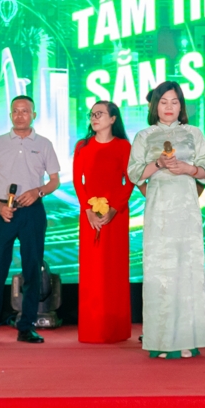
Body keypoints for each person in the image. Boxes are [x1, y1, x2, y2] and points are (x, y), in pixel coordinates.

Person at [128, 82, 205, 358]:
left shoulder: (193, 133)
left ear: (181, 105)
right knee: (159, 269)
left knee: (187, 268)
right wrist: (158, 165)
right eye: (163, 102)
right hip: (158, 209)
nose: (169, 107)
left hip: (186, 207)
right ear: (155, 106)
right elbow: (133, 173)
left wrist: (188, 168)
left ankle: (189, 338)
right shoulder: (144, 136)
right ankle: (161, 340)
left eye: (174, 102)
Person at [0, 95, 61, 344]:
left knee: (32, 269)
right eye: (15, 111)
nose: (19, 115)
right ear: (10, 115)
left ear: (34, 115)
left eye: (25, 111)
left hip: (32, 212)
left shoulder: (44, 144)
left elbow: (55, 181)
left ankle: (26, 326)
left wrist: (38, 192)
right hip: (4, 210)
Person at [73, 100, 133, 343]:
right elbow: (78, 181)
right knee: (92, 271)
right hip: (89, 215)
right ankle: (92, 328)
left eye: (100, 114)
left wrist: (115, 208)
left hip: (116, 215)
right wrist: (87, 209)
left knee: (114, 270)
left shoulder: (124, 146)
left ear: (113, 119)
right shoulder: (82, 146)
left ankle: (115, 329)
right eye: (92, 114)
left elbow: (129, 180)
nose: (94, 118)